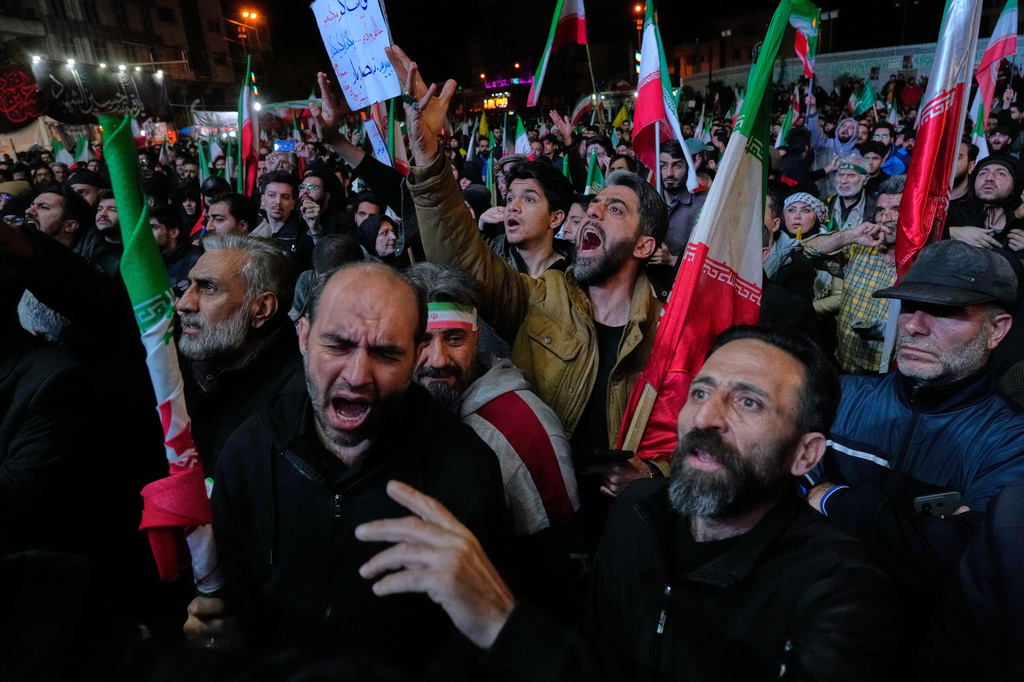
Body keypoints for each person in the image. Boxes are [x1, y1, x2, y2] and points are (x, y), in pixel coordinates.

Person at [355, 325, 902, 681]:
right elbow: (590, 636)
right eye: (701, 392)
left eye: (749, 403)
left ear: (805, 454)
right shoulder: (639, 510)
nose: (707, 418)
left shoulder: (843, 592)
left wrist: (508, 626)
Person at [187, 262, 509, 677]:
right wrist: (216, 636)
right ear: (303, 337)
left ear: (414, 356)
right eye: (338, 345)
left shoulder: (466, 470)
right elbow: (231, 601)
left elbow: (474, 638)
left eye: (386, 353)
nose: (358, 376)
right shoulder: (249, 453)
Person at [806, 240, 1024, 600]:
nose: (914, 326)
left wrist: (833, 498)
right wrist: (919, 533)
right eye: (909, 306)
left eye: (944, 310)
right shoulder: (840, 394)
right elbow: (771, 477)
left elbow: (960, 554)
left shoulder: (1011, 441)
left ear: (996, 330)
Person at [407, 262, 583, 608]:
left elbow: (558, 574)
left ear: (476, 337)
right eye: (422, 340)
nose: (438, 359)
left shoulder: (524, 428)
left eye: (454, 339)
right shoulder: (391, 409)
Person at [174, 234, 303, 468]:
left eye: (208, 288)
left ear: (262, 307)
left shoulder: (299, 402)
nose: (183, 304)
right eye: (190, 285)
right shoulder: (188, 366)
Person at [802, 176, 903, 373]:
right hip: (843, 364)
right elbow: (805, 251)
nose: (885, 218)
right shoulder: (860, 249)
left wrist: (891, 330)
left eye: (897, 210)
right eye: (880, 210)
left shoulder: (920, 262)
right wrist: (849, 236)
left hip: (887, 376)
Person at [474, 161, 575, 277]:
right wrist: (480, 230)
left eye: (529, 199)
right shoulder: (491, 260)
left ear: (555, 218)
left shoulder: (576, 276)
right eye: (510, 199)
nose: (512, 207)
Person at [944, 155, 1024, 254]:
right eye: (983, 173)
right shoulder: (950, 213)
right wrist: (953, 233)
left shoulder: (1020, 222)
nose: (989, 178)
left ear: (1015, 185)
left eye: (1000, 173)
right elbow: (921, 238)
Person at [149, 206, 201, 297]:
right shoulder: (150, 260)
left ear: (173, 233)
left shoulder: (195, 259)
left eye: (154, 228)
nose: (148, 234)